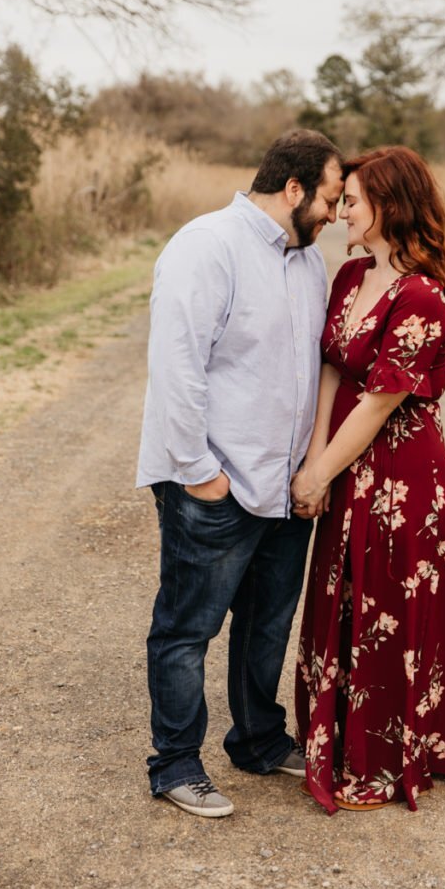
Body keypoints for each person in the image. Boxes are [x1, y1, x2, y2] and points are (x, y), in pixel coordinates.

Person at [291, 146, 445, 813]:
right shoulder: (349, 276)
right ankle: (341, 741)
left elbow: (379, 400)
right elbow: (332, 373)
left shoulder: (420, 295)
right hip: (341, 456)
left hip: (399, 474)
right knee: (346, 593)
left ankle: (391, 755)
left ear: (389, 206)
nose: (340, 213)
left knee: (391, 604)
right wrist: (315, 465)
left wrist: (321, 472)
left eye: (353, 201)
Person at [136, 129, 344, 818]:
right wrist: (199, 473)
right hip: (212, 485)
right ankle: (174, 765)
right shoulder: (206, 246)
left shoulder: (307, 262)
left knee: (266, 626)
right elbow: (176, 365)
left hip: (283, 488)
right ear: (293, 189)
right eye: (330, 197)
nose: (336, 213)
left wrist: (308, 468)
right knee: (186, 628)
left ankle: (257, 740)